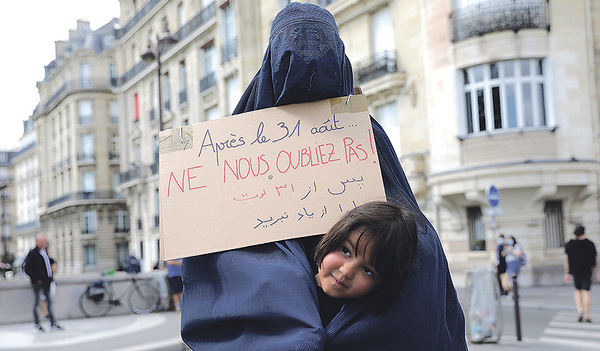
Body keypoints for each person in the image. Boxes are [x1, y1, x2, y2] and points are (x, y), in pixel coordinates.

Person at [181, 3, 466, 350]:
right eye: (290, 56)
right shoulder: (233, 150)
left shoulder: (365, 137)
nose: (308, 65)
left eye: (322, 51)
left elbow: (415, 244)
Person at [312, 201, 418, 325]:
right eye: (346, 251)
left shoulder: (360, 326)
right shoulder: (291, 275)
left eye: (367, 270)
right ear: (332, 237)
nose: (346, 272)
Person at [24, 234, 62, 331]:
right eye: (41, 241)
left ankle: (53, 323)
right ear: (37, 242)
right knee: (37, 302)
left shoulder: (45, 252)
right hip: (38, 283)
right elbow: (27, 268)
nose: (43, 243)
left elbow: (48, 266)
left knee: (50, 302)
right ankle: (37, 323)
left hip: (47, 282)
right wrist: (37, 279)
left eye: (44, 241)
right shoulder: (33, 254)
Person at [564, 225, 598, 323]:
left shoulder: (570, 244)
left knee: (577, 291)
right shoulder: (590, 244)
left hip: (575, 271)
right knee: (586, 291)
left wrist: (567, 272)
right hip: (587, 270)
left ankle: (580, 312)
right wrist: (596, 273)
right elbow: (595, 260)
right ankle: (587, 315)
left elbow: (566, 260)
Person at [40, 252, 57, 320]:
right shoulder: (49, 260)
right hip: (47, 282)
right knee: (46, 299)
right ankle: (47, 314)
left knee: (45, 299)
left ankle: (47, 314)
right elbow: (54, 269)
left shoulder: (48, 260)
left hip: (45, 282)